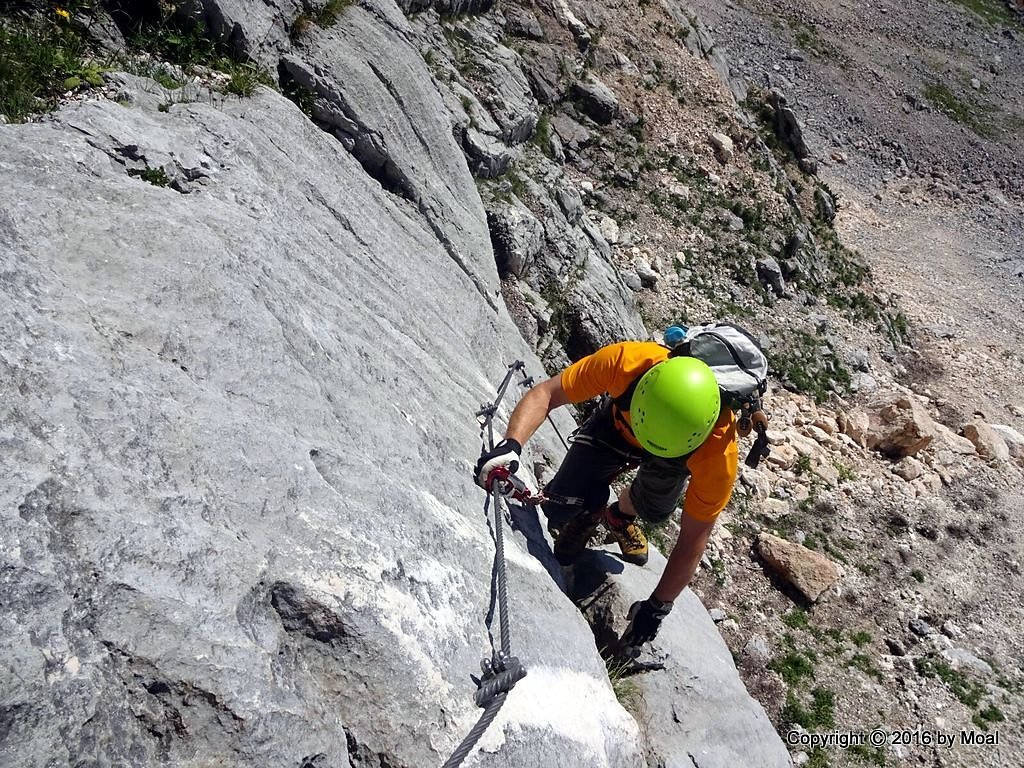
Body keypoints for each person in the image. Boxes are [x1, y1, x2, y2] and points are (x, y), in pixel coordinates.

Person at [474, 340, 738, 650]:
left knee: (654, 511)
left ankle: (620, 515)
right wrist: (511, 445)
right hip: (618, 426)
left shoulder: (718, 453)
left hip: (672, 455)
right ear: (645, 385)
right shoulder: (627, 363)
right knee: (558, 510)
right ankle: (592, 511)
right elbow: (547, 393)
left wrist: (657, 607)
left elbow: (693, 539)